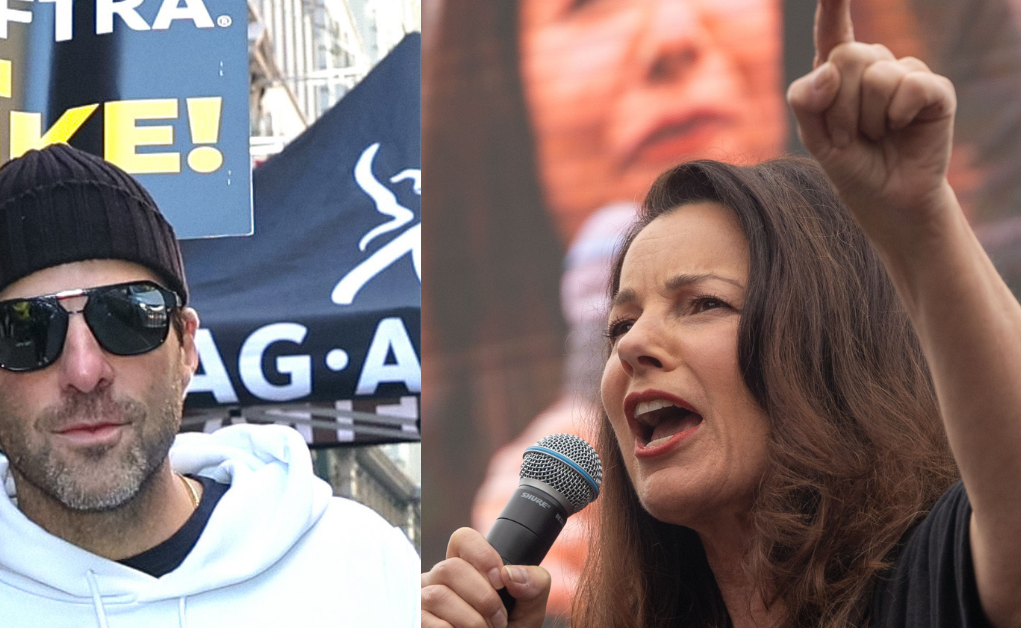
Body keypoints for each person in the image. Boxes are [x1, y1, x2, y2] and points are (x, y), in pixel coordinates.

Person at [421, 1, 1021, 626]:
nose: (631, 347)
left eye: (702, 303)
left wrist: (921, 216)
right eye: (619, 325)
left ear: (827, 349)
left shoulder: (929, 581)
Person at [0, 143, 419, 627]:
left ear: (186, 345)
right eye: (25, 331)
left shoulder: (363, 571)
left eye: (127, 315)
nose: (84, 371)